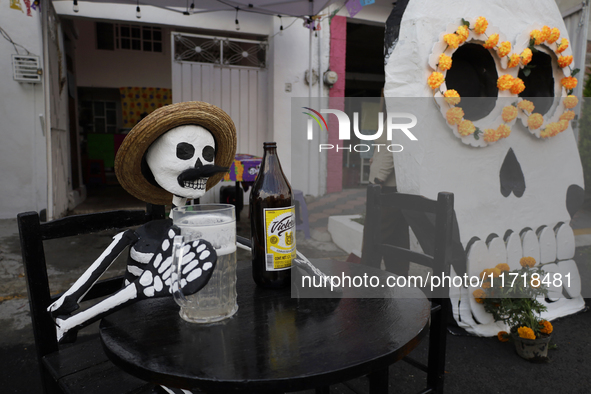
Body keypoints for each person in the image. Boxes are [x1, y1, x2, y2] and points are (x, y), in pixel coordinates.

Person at [365, 129, 410, 276]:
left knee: (374, 235)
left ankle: (368, 278)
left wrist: (380, 178)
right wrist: (375, 157)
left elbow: (394, 148)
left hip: (384, 187)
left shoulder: (396, 113)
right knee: (396, 236)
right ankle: (398, 278)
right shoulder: (393, 113)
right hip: (389, 185)